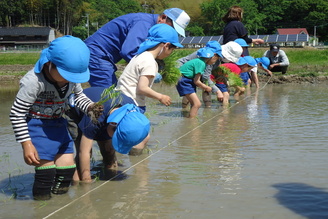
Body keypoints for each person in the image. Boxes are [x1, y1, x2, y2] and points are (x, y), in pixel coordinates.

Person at [9, 35, 103, 200]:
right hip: (37, 126)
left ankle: (60, 205)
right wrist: (27, 144)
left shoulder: (71, 79)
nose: (69, 79)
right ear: (49, 63)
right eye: (65, 74)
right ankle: (41, 204)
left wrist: (90, 106)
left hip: (59, 123)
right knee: (46, 173)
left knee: (67, 170)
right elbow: (17, 113)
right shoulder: (33, 81)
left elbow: (78, 97)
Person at [85, 8, 190, 87]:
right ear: (163, 17)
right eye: (172, 28)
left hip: (105, 57)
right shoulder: (144, 23)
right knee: (109, 98)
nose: (171, 33)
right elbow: (129, 51)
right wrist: (148, 69)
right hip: (98, 55)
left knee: (109, 96)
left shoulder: (150, 26)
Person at [71, 87, 150, 183]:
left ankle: (109, 168)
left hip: (106, 115)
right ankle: (74, 180)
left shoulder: (131, 109)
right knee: (82, 158)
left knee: (109, 151)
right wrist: (86, 182)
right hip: (76, 112)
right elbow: (84, 152)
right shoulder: (94, 118)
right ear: (112, 124)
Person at [115, 23, 183, 112]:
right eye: (172, 50)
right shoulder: (149, 61)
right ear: (166, 46)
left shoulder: (140, 55)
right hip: (131, 104)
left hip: (119, 99)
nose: (170, 53)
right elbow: (142, 88)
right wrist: (161, 97)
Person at [176, 41, 242, 108]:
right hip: (183, 73)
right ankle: (186, 110)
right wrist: (218, 91)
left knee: (196, 92)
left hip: (192, 74)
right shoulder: (209, 57)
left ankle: (202, 108)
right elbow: (205, 77)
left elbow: (209, 73)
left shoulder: (216, 58)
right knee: (191, 93)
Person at [176, 47, 219, 118]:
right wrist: (206, 87)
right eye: (215, 59)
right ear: (212, 57)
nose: (214, 62)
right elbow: (197, 81)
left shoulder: (199, 61)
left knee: (194, 104)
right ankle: (192, 123)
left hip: (185, 80)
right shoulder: (201, 63)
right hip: (185, 81)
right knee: (197, 104)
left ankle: (190, 120)